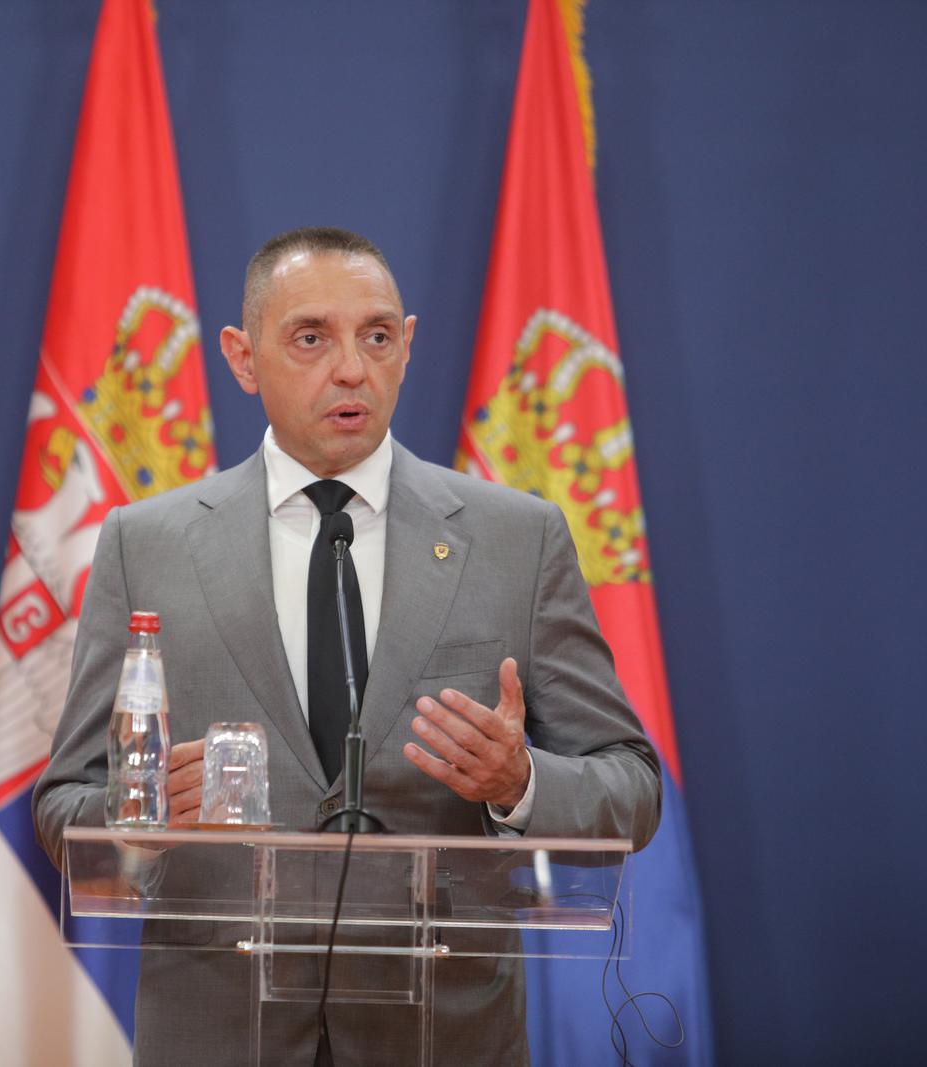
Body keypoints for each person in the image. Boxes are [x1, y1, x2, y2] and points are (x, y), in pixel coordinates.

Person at [33, 226, 661, 1065]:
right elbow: (63, 802)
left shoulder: (519, 539)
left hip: (444, 1034)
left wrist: (522, 782)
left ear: (406, 346)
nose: (351, 368)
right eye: (309, 338)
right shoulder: (145, 545)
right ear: (242, 358)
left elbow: (632, 783)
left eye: (375, 337)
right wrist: (140, 819)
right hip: (219, 1030)